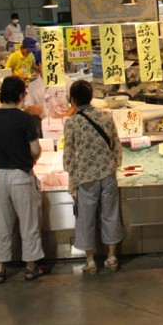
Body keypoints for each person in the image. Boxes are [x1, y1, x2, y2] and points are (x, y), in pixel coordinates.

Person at [0, 76, 45, 283]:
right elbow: (35, 149)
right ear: (20, 95)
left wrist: (1, 155)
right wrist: (29, 158)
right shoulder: (25, 119)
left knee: (0, 223)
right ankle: (31, 267)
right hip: (20, 176)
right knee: (29, 222)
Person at [63, 80, 123, 274]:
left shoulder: (72, 122)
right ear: (91, 97)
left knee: (85, 218)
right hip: (108, 173)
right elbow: (116, 145)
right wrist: (114, 164)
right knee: (110, 214)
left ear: (73, 100)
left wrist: (70, 171)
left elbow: (68, 154)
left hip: (86, 177)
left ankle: (90, 261)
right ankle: (112, 257)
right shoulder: (106, 116)